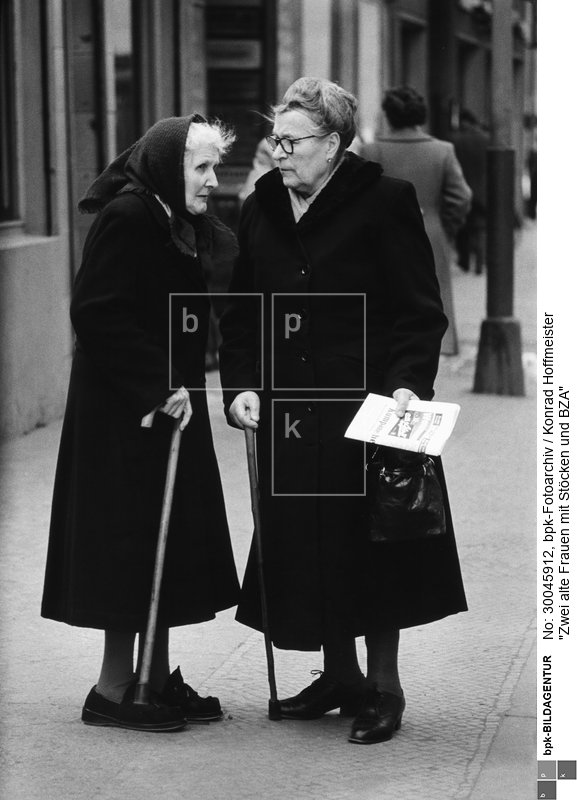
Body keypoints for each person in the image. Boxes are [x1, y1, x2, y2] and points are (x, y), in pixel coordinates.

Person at [218, 77, 467, 745]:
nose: (276, 151)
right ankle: (339, 676)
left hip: (369, 405)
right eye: (273, 137)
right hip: (291, 413)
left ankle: (384, 688)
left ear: (330, 145)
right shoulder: (261, 206)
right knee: (309, 544)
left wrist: (407, 385)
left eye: (290, 140)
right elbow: (240, 310)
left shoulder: (384, 200)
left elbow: (419, 310)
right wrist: (240, 384)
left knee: (376, 544)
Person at [41, 114, 241, 732]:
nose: (212, 181)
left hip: (167, 408)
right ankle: (112, 690)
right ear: (165, 165)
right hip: (129, 416)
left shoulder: (174, 220)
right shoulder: (128, 217)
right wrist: (157, 388)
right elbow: (95, 311)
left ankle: (154, 678)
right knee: (130, 545)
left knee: (169, 538)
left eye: (215, 168)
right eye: (201, 167)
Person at [360, 86, 472, 355]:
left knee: (383, 294)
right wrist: (445, 225)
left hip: (380, 235)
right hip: (430, 230)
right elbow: (461, 197)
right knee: (433, 294)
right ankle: (440, 346)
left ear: (388, 115)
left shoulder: (371, 151)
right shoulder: (443, 150)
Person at [450, 109, 490, 274]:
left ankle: (465, 261)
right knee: (480, 227)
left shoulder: (456, 141)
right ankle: (480, 262)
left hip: (461, 188)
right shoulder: (486, 140)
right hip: (482, 191)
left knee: (463, 227)